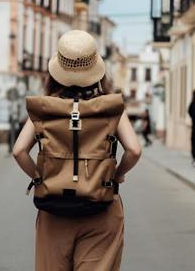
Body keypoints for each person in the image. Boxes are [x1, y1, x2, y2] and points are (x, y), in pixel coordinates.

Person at [12, 30, 142, 271]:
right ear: (97, 69)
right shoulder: (109, 108)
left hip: (54, 211)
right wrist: (115, 175)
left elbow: (19, 151)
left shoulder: (46, 109)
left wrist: (40, 179)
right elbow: (134, 150)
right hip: (101, 207)